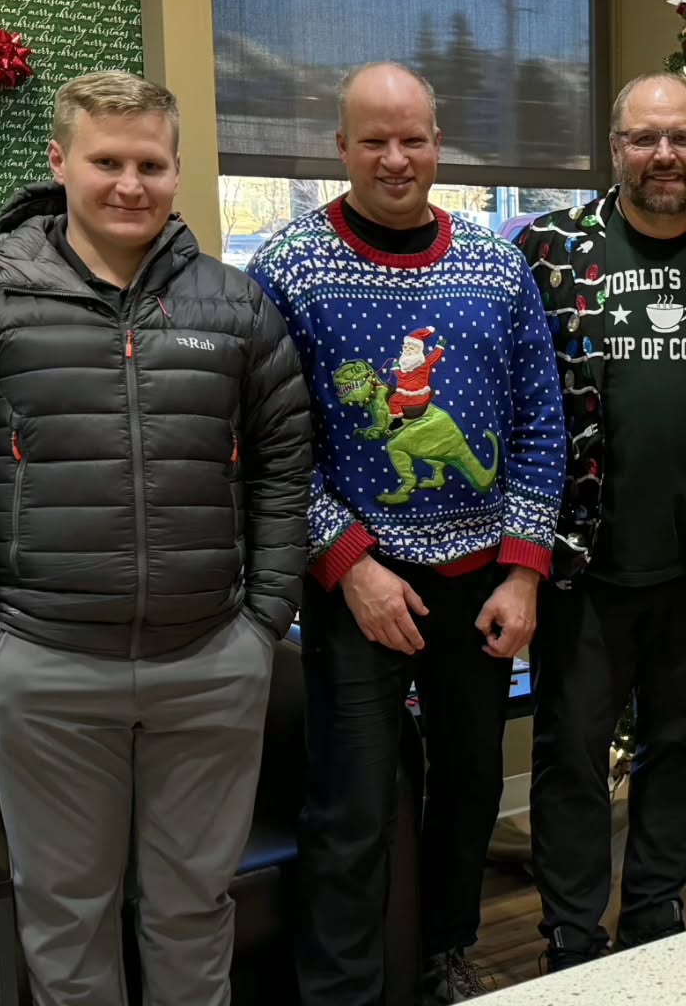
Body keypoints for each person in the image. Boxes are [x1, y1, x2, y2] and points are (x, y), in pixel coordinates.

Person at [0, 70, 311, 1006]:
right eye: (106, 161)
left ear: (177, 169)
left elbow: (285, 467)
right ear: (59, 163)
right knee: (68, 921)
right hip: (41, 668)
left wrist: (260, 623)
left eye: (150, 164)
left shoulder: (234, 307)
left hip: (208, 666)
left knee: (194, 912)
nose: (130, 184)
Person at [248, 62, 565, 1005]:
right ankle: (340, 988)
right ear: (340, 148)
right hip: (355, 588)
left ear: (438, 144)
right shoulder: (288, 267)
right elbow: (265, 440)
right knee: (352, 802)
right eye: (374, 141)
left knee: (468, 787)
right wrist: (348, 566)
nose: (396, 158)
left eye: (414, 139)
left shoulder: (494, 265)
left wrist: (523, 575)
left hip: (482, 586)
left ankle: (443, 955)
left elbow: (542, 424)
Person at [517, 71, 686, 970]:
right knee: (570, 754)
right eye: (644, 138)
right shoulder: (553, 250)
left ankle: (654, 916)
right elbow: (518, 399)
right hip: (580, 560)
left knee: (678, 747)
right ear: (615, 148)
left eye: (682, 138)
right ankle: (569, 930)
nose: (663, 155)